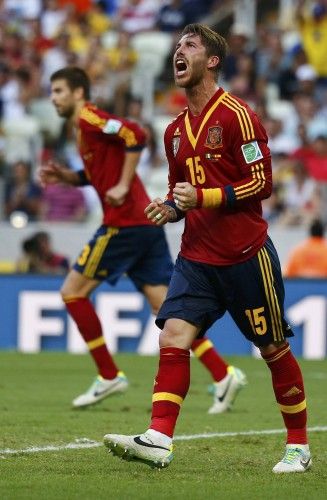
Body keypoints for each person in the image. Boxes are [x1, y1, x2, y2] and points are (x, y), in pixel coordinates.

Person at [104, 24, 311, 474]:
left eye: (190, 46)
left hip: (245, 256)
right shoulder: (175, 131)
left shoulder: (238, 115)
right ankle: (159, 437)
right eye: (177, 46)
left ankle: (298, 445)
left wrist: (204, 198)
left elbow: (263, 183)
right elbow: (183, 194)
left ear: (212, 60)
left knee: (273, 348)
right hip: (197, 257)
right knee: (172, 337)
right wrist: (170, 209)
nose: (179, 51)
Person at [39, 66, 246, 411]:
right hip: (145, 225)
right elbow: (98, 174)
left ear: (78, 93)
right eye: (52, 91)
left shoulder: (90, 117)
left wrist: (123, 184)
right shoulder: (82, 128)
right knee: (165, 308)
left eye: (59, 91)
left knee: (72, 293)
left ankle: (108, 375)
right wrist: (68, 177)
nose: (53, 97)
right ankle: (223, 375)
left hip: (124, 225)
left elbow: (136, 135)